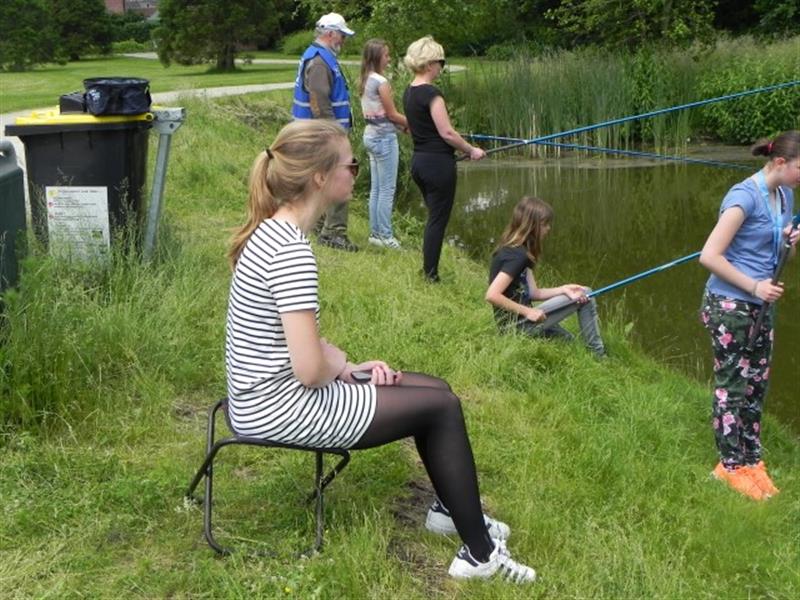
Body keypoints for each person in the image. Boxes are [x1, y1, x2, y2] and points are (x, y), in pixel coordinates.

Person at [225, 119, 536, 583]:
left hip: (261, 395)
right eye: (351, 165)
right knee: (441, 409)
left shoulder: (274, 232)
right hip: (277, 407)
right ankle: (480, 555)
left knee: (437, 389)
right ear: (319, 177)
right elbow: (309, 369)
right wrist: (339, 366)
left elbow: (294, 346)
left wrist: (348, 367)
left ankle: (449, 512)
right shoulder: (291, 252)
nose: (358, 172)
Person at [699, 130, 799, 501]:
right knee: (732, 386)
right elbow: (709, 255)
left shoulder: (785, 195)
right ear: (780, 162)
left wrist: (789, 242)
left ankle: (751, 460)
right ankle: (728, 467)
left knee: (756, 384)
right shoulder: (743, 197)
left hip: (761, 306)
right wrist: (754, 287)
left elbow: (777, 256)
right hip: (730, 306)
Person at [402, 36, 486, 282]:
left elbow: (419, 128)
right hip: (437, 166)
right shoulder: (432, 94)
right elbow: (447, 132)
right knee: (437, 221)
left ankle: (428, 270)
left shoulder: (409, 91)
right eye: (441, 62)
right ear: (430, 64)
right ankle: (430, 275)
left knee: (434, 218)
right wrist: (471, 150)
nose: (442, 67)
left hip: (419, 163)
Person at [485, 196, 606, 357]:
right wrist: (528, 312)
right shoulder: (517, 256)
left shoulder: (518, 251)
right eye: (544, 224)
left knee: (568, 341)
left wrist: (563, 289)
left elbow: (534, 293)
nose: (548, 228)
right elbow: (492, 295)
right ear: (531, 225)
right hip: (517, 326)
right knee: (586, 293)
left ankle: (588, 353)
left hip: (517, 325)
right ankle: (598, 355)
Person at [292, 12, 358, 252]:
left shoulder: (321, 56)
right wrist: (335, 135)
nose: (344, 40)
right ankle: (334, 233)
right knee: (342, 176)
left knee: (320, 179)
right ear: (330, 34)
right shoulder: (320, 61)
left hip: (315, 131)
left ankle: (318, 225)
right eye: (342, 35)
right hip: (323, 133)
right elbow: (319, 102)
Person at [359, 39, 408, 249]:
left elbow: (379, 115)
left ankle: (375, 234)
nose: (389, 59)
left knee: (377, 188)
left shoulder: (365, 79)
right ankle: (386, 237)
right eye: (386, 55)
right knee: (387, 190)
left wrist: (402, 127)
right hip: (384, 139)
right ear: (377, 57)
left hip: (370, 136)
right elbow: (392, 114)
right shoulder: (381, 82)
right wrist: (415, 123)